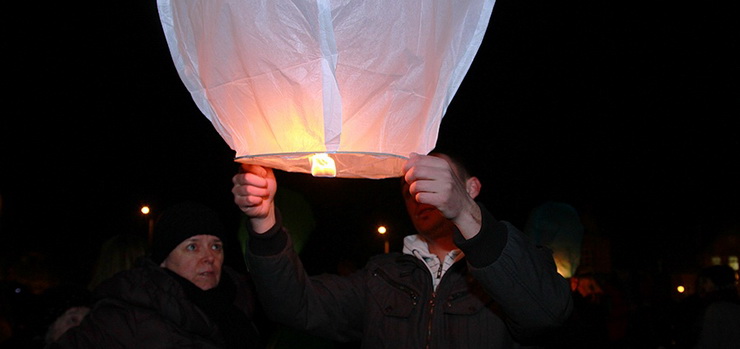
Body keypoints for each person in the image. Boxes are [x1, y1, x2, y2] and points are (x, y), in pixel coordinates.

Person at [232, 152, 573, 348]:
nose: (418, 193)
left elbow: (547, 314)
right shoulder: (382, 275)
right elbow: (295, 306)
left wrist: (466, 213)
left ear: (471, 187)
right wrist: (264, 223)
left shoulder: (512, 262)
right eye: (409, 186)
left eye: (434, 179)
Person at [48, 201, 265, 348]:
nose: (209, 257)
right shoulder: (126, 314)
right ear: (163, 258)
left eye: (216, 246)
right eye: (192, 247)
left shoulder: (239, 302)